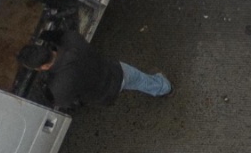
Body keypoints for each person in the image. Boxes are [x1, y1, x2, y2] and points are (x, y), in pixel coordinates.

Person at [17, 26, 169, 111]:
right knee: (141, 80)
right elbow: (62, 34)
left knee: (137, 82)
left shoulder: (58, 87)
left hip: (105, 94)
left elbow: (64, 102)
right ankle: (163, 87)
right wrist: (45, 34)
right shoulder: (73, 40)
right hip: (117, 71)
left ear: (42, 67)